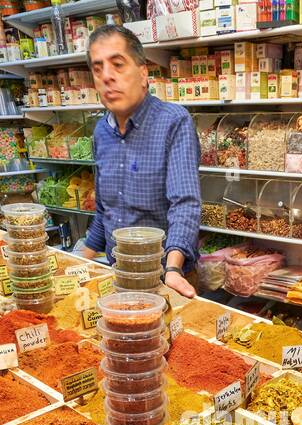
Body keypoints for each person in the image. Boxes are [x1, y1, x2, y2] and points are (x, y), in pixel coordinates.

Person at [80, 24, 201, 298]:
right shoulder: (101, 131)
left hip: (166, 279)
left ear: (143, 72)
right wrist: (77, 262)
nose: (107, 77)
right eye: (97, 69)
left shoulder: (173, 121)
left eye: (118, 65)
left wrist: (172, 269)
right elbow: (104, 211)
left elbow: (184, 204)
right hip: (119, 276)